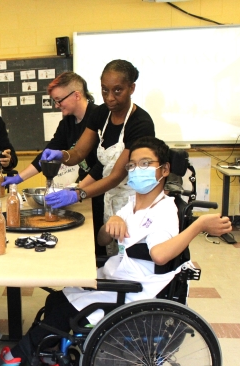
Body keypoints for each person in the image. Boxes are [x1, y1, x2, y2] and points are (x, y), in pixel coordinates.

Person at [0, 137, 232, 366]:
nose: (136, 170)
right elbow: (100, 239)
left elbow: (159, 254)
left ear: (164, 169)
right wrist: (112, 224)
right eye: (131, 166)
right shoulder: (133, 203)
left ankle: (16, 358)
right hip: (120, 274)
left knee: (63, 309)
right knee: (56, 299)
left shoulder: (165, 210)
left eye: (145, 163)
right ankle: (50, 358)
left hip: (134, 289)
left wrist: (199, 225)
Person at [42, 60, 155, 254]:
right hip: (108, 196)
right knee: (108, 250)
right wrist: (61, 155)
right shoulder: (101, 114)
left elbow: (116, 175)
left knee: (128, 253)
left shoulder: (140, 123)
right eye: (104, 90)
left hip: (132, 199)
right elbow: (78, 153)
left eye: (117, 91)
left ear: (131, 88)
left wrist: (79, 193)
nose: (110, 98)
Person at [1, 71, 97, 189]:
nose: (56, 105)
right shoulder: (67, 123)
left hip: (101, 187)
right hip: (86, 188)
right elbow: (47, 154)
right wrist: (19, 178)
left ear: (76, 96)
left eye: (59, 100)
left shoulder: (98, 117)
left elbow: (102, 166)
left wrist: (79, 190)